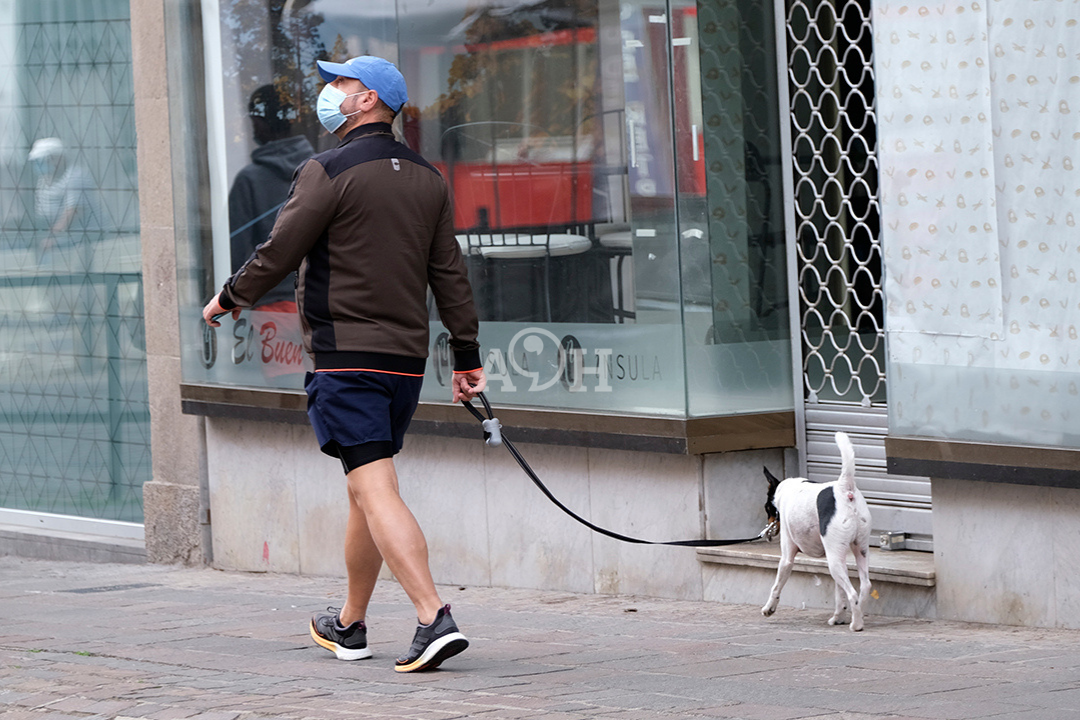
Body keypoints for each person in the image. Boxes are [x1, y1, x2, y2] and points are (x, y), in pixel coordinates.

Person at [202, 56, 486, 673]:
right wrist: (467, 356)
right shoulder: (428, 177)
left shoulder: (327, 169)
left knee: (375, 488)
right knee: (363, 488)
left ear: (368, 100)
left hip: (346, 359)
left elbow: (281, 247)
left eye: (341, 84)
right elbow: (450, 275)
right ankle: (351, 624)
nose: (330, 92)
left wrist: (231, 296)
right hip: (404, 364)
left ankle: (433, 615)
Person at [228, 84, 313, 312]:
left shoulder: (250, 180)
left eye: (254, 121)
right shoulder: (321, 170)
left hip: (271, 309)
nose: (252, 128)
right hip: (318, 303)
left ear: (261, 122)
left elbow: (238, 251)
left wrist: (232, 296)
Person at [28, 137, 99, 259]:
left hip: (84, 242)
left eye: (43, 160)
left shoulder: (75, 176)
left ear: (58, 158)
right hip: (61, 240)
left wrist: (52, 238)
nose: (40, 164)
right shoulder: (44, 179)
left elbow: (73, 211)